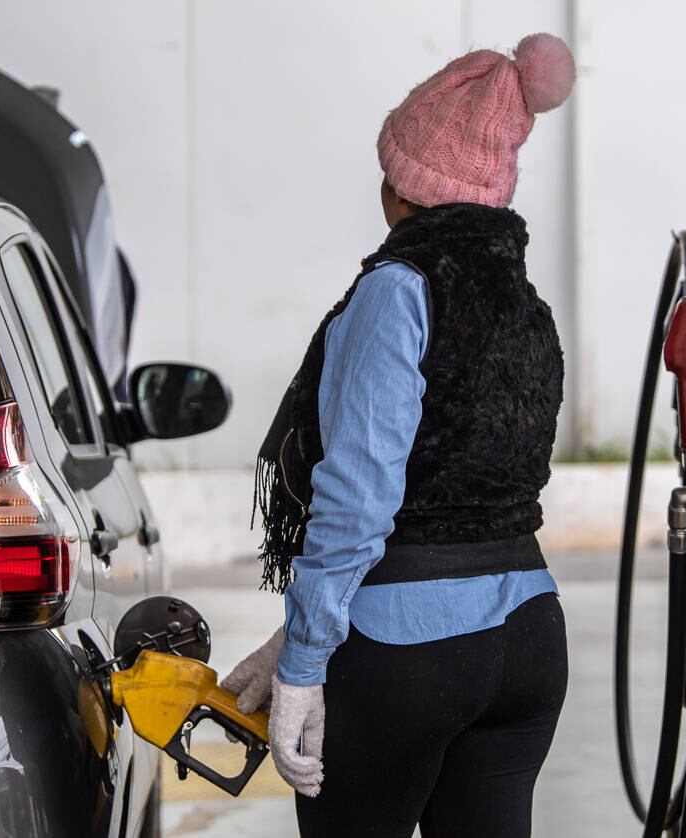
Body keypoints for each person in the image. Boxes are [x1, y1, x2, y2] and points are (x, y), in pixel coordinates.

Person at [222, 33, 576, 838]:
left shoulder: (398, 289)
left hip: (409, 657)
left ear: (403, 181)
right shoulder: (526, 305)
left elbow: (359, 497)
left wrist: (307, 661)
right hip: (526, 635)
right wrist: (293, 637)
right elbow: (465, 480)